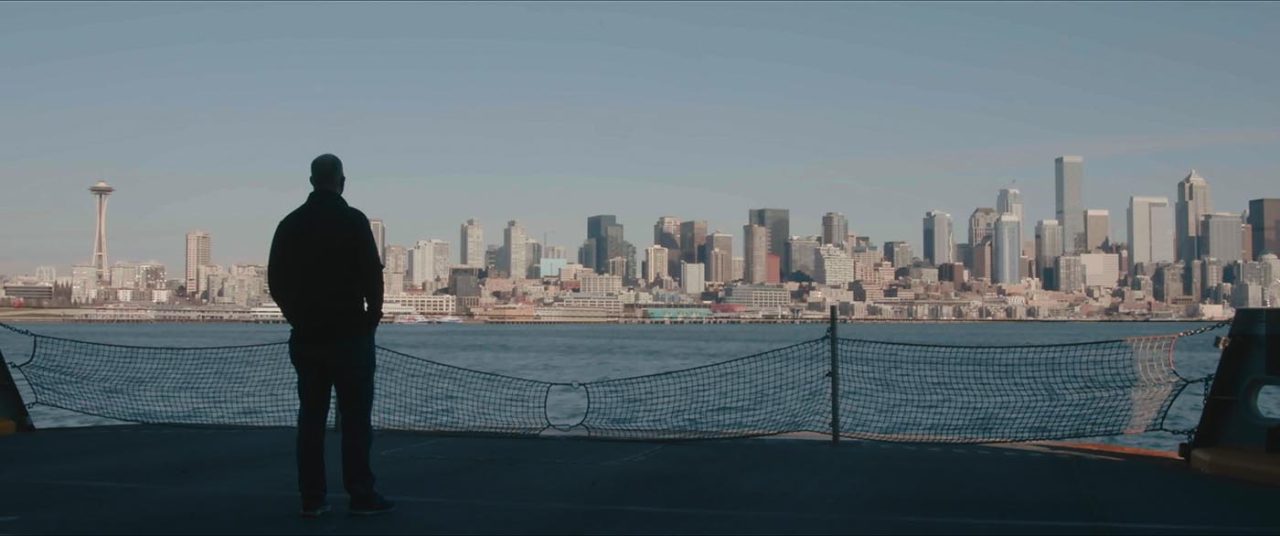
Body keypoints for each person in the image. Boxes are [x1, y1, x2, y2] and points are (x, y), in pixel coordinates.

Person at [268, 154, 395, 517]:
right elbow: (373, 274)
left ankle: (312, 497)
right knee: (356, 420)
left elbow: (275, 280)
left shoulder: (290, 224)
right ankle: (361, 494)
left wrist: (296, 316)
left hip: (308, 336)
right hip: (350, 335)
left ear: (311, 181)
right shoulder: (353, 221)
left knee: (311, 419)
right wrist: (373, 316)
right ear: (342, 181)